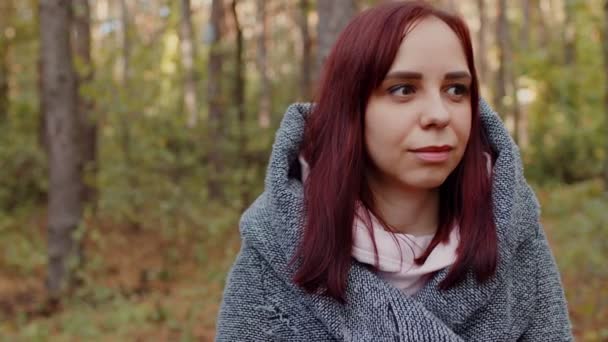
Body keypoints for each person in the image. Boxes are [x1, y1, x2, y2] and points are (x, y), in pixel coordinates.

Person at [215, 1, 573, 341]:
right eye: (403, 89)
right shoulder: (274, 249)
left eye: (456, 89)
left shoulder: (513, 237)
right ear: (351, 108)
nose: (439, 114)